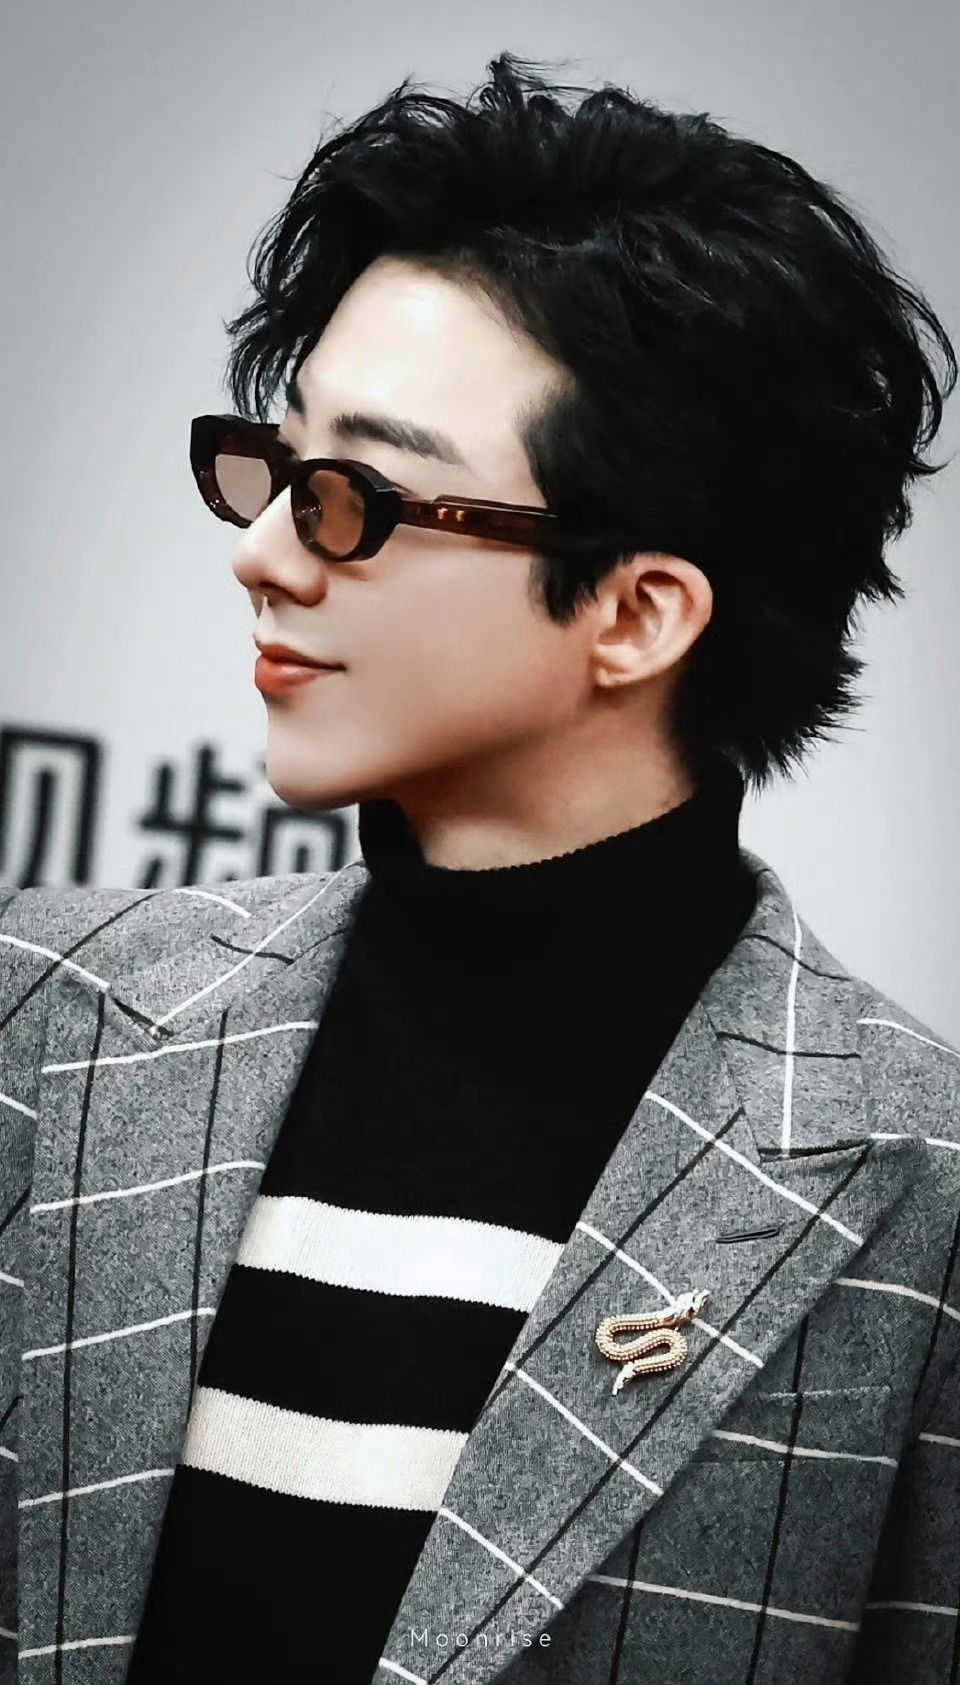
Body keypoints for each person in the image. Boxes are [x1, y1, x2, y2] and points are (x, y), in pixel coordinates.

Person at [0, 51, 957, 1685]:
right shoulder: (48, 1016)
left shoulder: (913, 1187)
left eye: (352, 499)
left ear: (637, 610)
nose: (260, 552)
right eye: (274, 467)